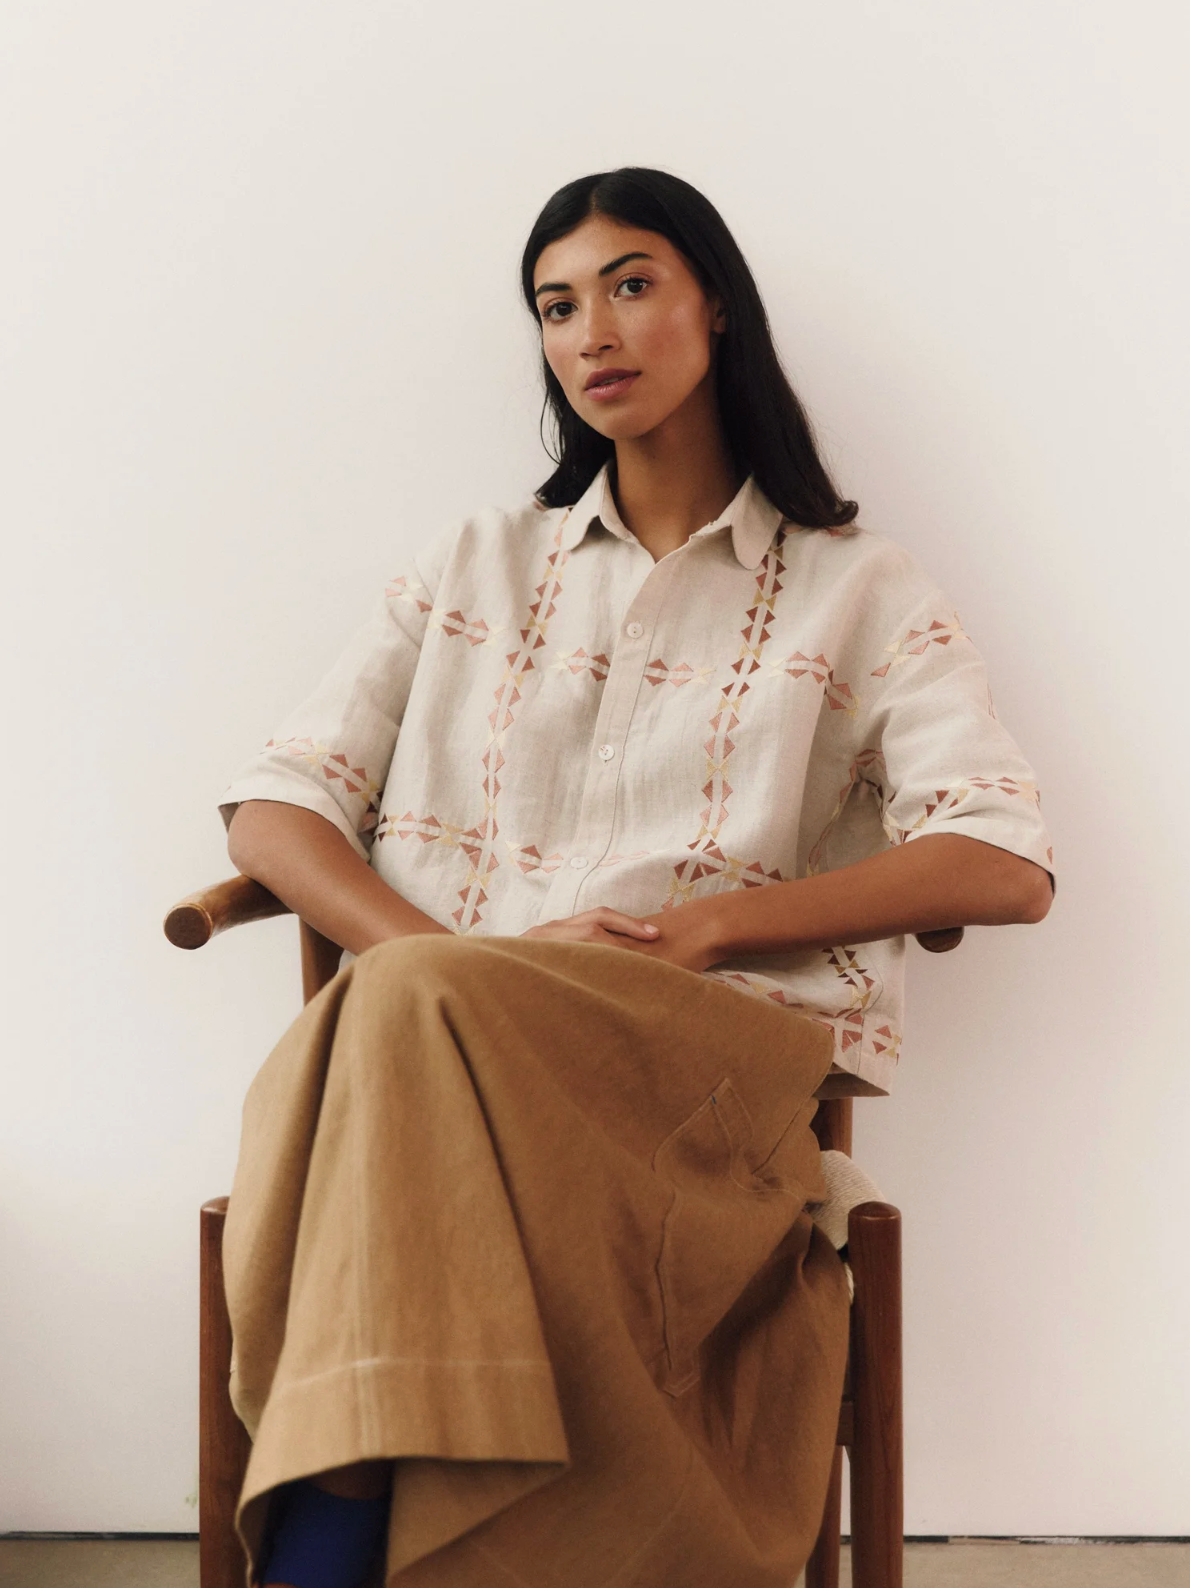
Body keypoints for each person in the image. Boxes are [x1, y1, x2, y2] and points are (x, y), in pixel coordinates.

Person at [218, 167, 1054, 1588]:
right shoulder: (474, 562)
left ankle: (328, 1533)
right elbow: (276, 809)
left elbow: (1001, 860)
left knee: (395, 1029)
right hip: (442, 1069)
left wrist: (710, 928)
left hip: (693, 1077)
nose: (590, 330)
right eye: (555, 305)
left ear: (714, 304)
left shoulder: (859, 586)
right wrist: (444, 967)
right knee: (408, 1014)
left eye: (629, 284)